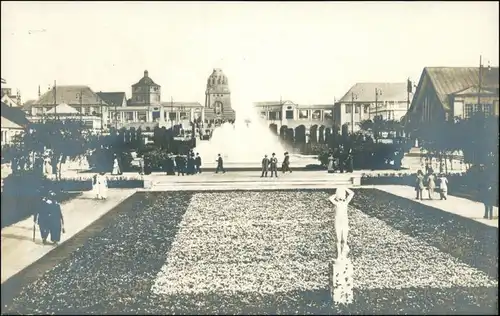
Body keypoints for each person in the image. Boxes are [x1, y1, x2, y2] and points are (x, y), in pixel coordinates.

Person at [329, 187, 355, 259]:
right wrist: (337, 194)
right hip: (338, 222)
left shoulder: (346, 202)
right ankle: (339, 255)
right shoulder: (337, 203)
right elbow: (330, 198)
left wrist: (345, 188)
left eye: (343, 195)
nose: (341, 197)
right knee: (338, 240)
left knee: (344, 239)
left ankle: (343, 255)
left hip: (344, 222)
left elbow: (352, 193)